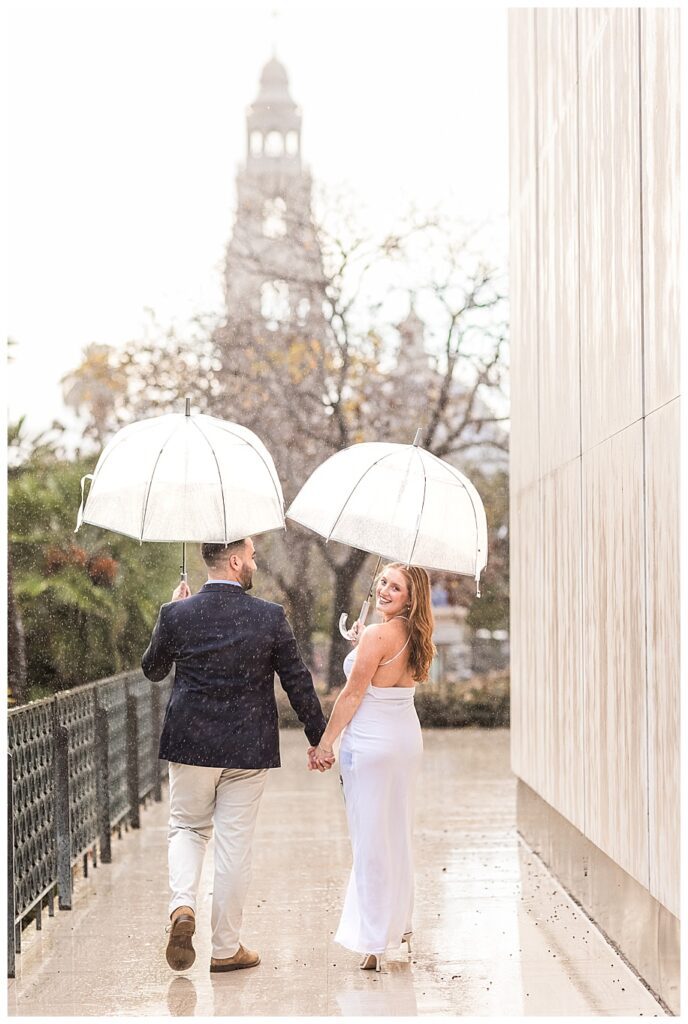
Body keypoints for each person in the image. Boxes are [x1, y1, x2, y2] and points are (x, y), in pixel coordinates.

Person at [142, 538, 328, 974]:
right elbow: (297, 681)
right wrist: (319, 736)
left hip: (190, 744)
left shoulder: (177, 615)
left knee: (187, 828)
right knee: (233, 846)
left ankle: (182, 907)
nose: (255, 562)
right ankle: (225, 949)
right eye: (252, 556)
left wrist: (169, 615)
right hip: (247, 749)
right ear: (234, 560)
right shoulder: (269, 617)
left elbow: (152, 669)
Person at [308, 562, 435, 972]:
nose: (383, 590)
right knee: (396, 832)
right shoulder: (415, 638)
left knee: (369, 840)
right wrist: (365, 640)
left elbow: (352, 696)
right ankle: (399, 923)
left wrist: (325, 742)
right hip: (404, 741)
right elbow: (389, 671)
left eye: (395, 588)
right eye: (383, 581)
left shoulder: (379, 636)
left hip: (370, 746)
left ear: (410, 598)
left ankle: (373, 939)